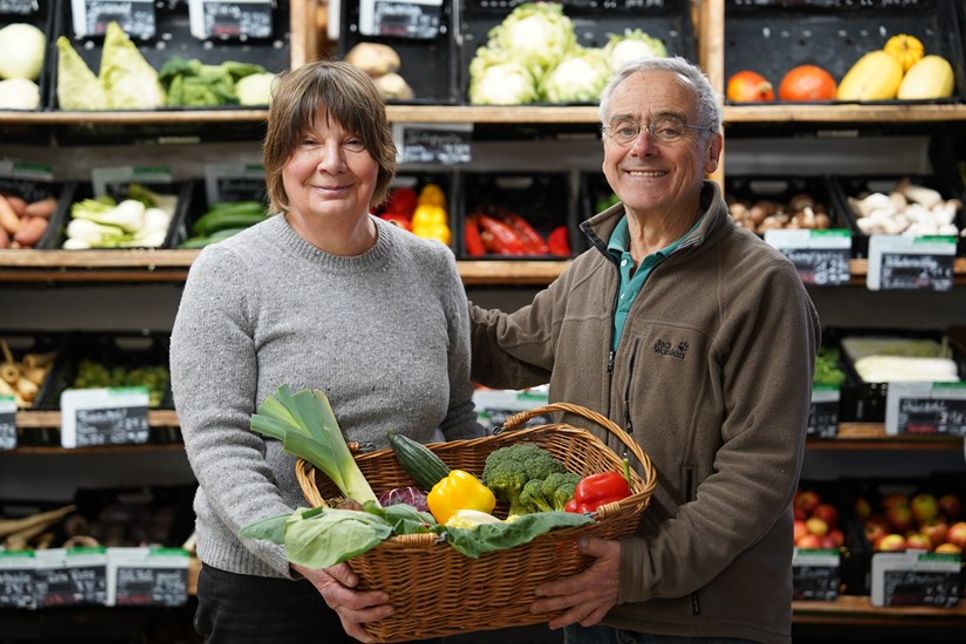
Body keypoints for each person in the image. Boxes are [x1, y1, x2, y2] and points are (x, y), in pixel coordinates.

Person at [469, 56, 820, 644]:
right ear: (605, 148)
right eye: (625, 128)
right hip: (589, 600)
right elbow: (505, 350)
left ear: (712, 151)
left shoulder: (761, 284)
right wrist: (403, 266)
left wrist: (639, 569)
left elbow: (759, 472)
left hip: (701, 618)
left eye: (670, 127)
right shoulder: (593, 271)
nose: (643, 146)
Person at [170, 60, 481, 644]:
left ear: (380, 159)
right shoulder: (228, 273)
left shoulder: (431, 266)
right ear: (279, 159)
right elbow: (219, 444)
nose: (332, 163)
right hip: (270, 585)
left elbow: (457, 418)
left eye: (354, 142)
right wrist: (300, 551)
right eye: (308, 142)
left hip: (413, 573)